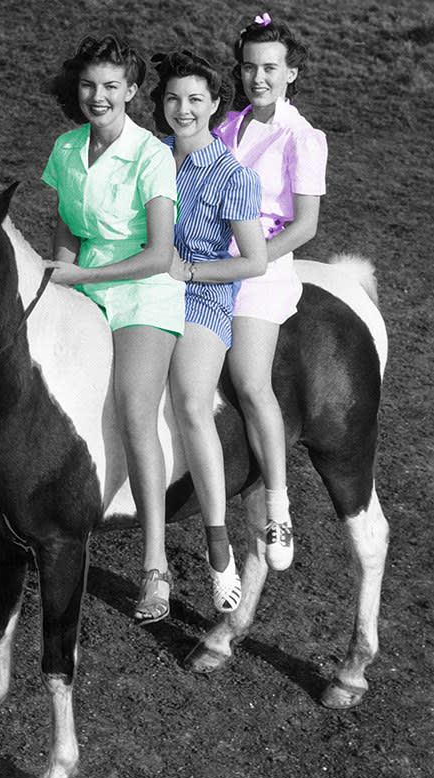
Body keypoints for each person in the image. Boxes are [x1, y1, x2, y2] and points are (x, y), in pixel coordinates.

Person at [42, 35, 185, 625]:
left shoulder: (152, 154)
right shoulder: (67, 147)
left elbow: (159, 253)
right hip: (84, 284)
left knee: (133, 409)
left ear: (131, 92)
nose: (96, 97)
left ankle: (155, 565)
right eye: (87, 86)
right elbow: (65, 230)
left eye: (109, 87)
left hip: (143, 293)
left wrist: (83, 275)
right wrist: (61, 280)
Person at [150, 50, 267, 612]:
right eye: (173, 98)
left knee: (193, 403)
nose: (183, 109)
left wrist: (189, 270)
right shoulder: (149, 160)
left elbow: (254, 260)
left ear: (216, 105)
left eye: (196, 99)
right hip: (143, 292)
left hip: (202, 297)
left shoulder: (232, 175)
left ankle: (217, 546)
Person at [213, 14, 328, 571]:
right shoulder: (226, 125)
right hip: (213, 256)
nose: (257, 77)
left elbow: (305, 226)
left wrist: (249, 259)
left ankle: (279, 506)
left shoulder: (302, 137)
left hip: (264, 266)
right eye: (249, 66)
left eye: (270, 68)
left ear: (292, 74)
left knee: (250, 380)